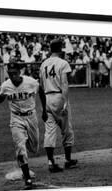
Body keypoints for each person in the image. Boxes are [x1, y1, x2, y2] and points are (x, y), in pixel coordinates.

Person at [0, 62, 42, 190]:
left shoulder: (31, 82)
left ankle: (23, 155)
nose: (12, 75)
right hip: (16, 119)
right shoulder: (6, 85)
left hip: (31, 117)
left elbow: (42, 92)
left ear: (19, 71)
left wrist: (45, 110)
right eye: (10, 73)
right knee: (20, 146)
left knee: (34, 148)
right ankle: (27, 178)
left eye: (14, 73)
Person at [39, 39, 78, 173]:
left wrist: (43, 106)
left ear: (50, 49)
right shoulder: (63, 63)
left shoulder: (43, 64)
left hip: (47, 97)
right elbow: (64, 84)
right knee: (67, 130)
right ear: (61, 49)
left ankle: (51, 162)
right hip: (59, 97)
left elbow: (41, 86)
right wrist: (65, 102)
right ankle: (67, 160)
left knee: (49, 132)